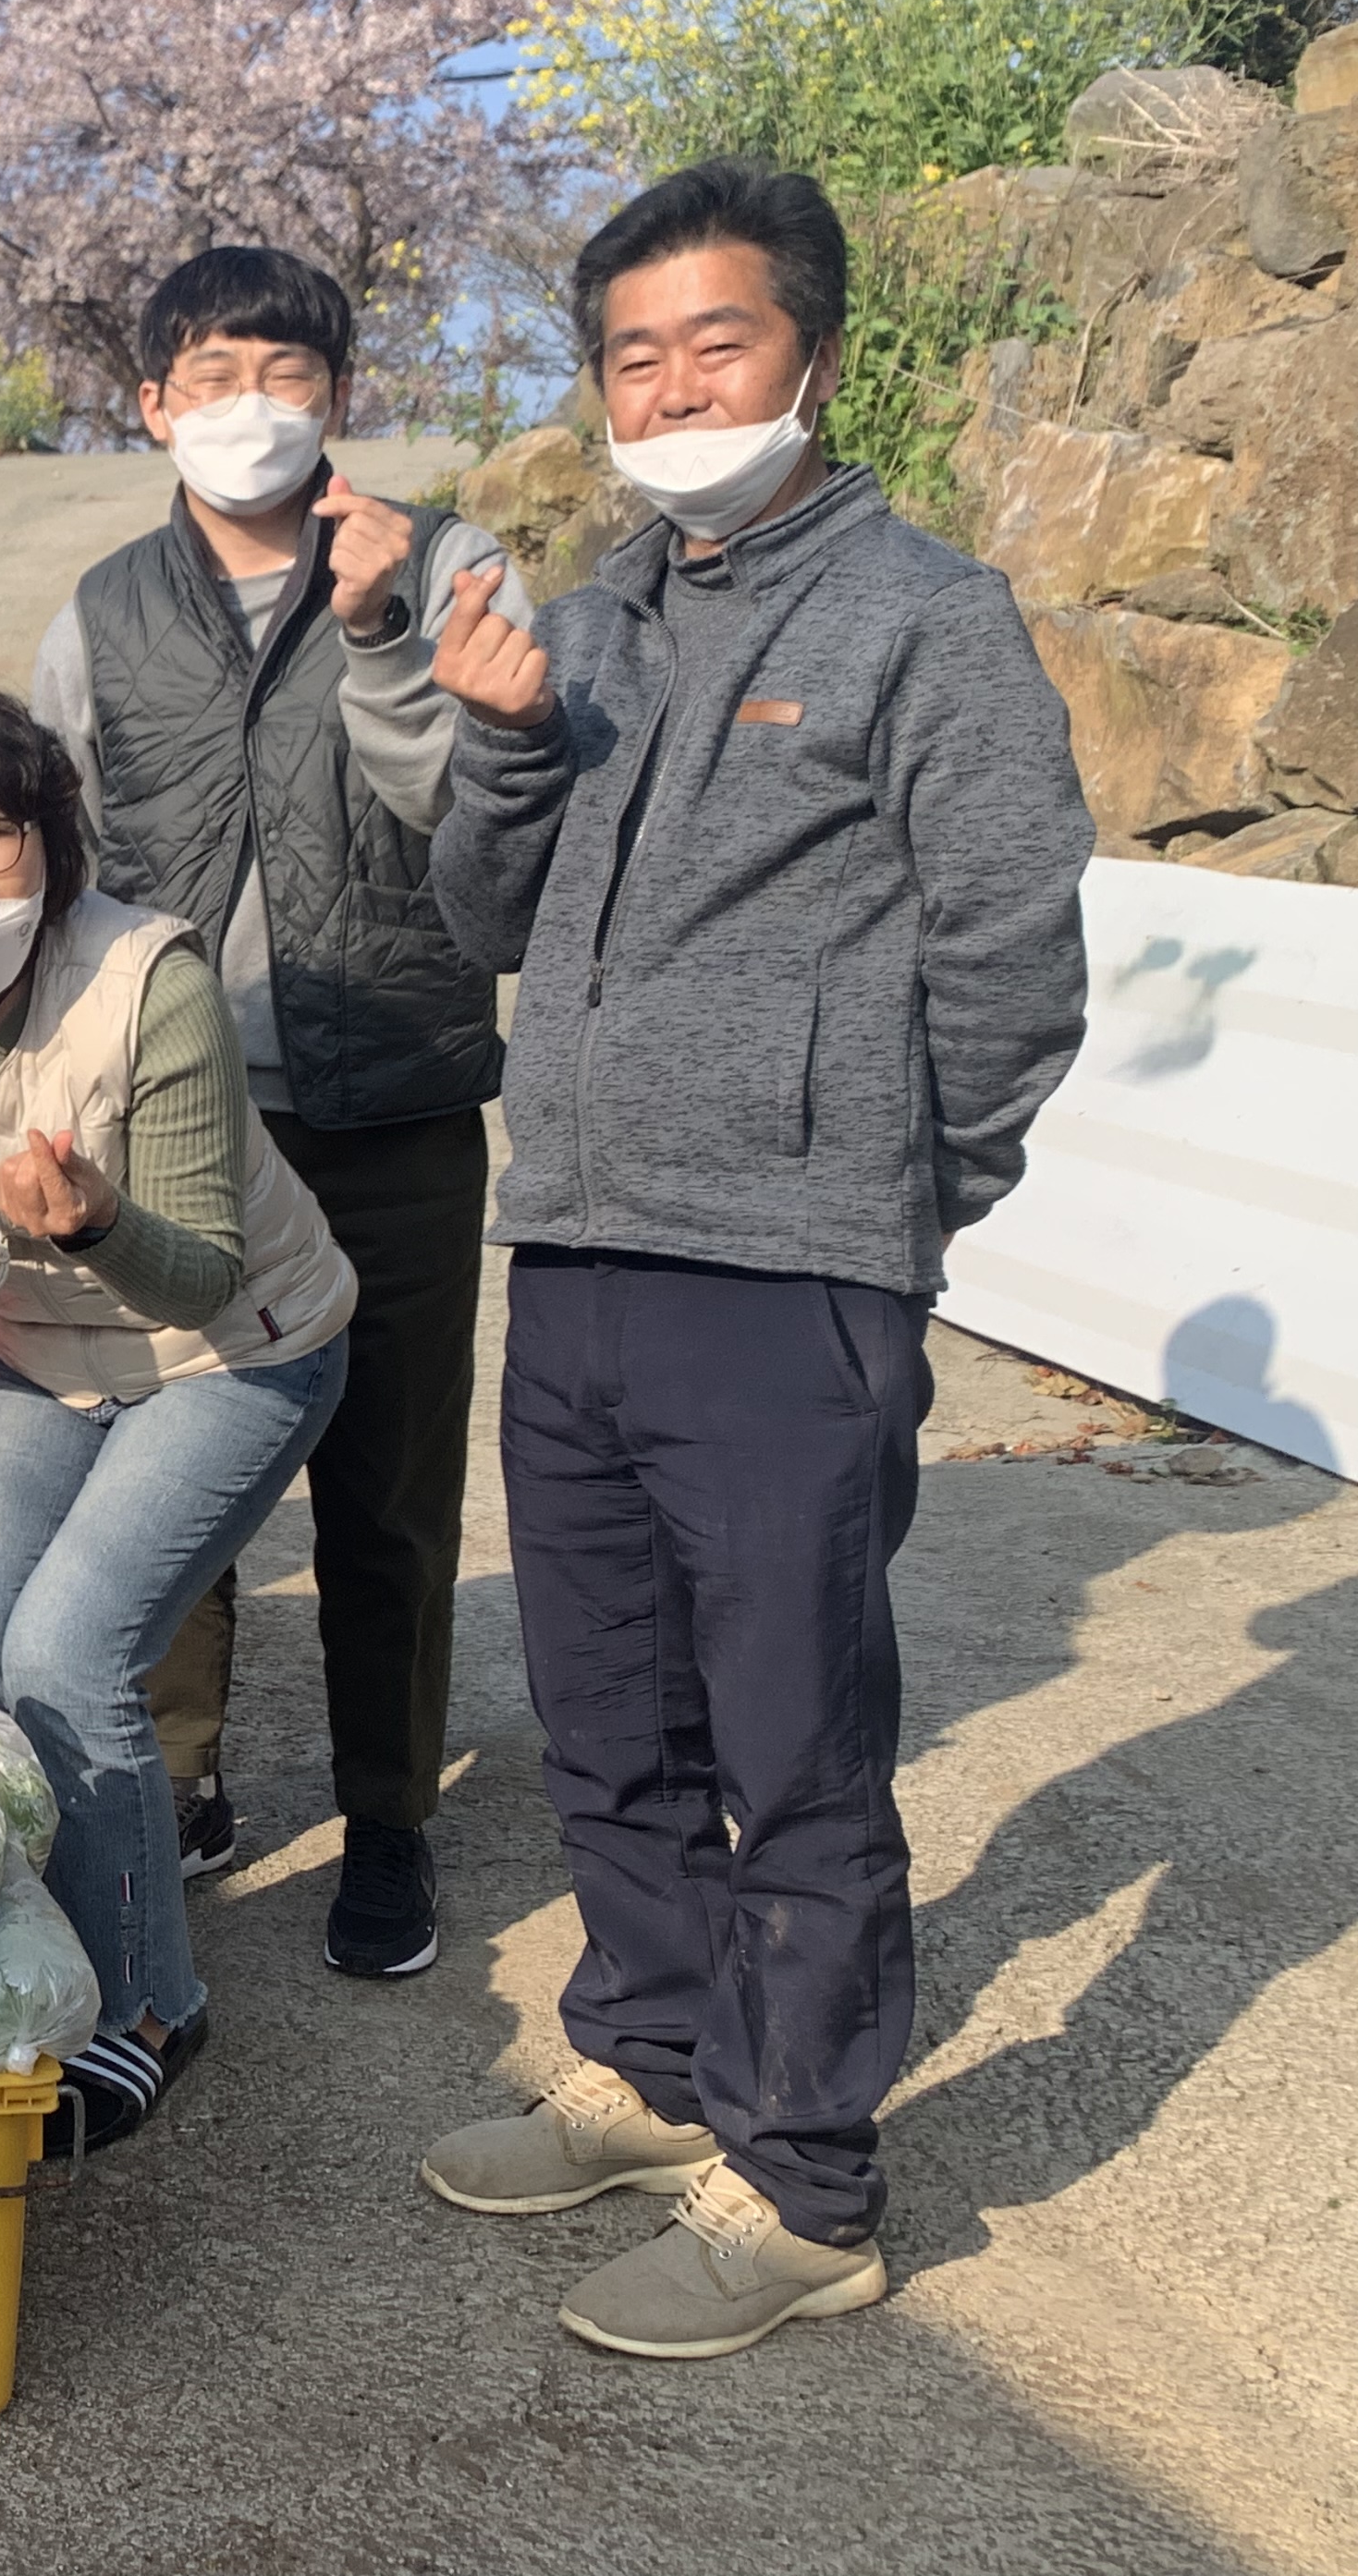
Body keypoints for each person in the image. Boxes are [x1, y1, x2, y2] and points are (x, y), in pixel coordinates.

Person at [421, 159, 1093, 2360]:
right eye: (633, 354)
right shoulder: (595, 615)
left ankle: (807, 2185)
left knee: (793, 1740)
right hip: (584, 1247)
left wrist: (895, 1207)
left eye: (716, 342)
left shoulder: (928, 618)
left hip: (791, 1273)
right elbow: (483, 917)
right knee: (605, 1712)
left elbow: (1008, 964)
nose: (674, 385)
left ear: (809, 351)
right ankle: (653, 2053)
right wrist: (503, 747)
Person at [28, 245, 532, 1977]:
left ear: (338, 392)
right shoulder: (100, 612)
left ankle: (388, 1819)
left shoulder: (451, 562)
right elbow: (49, 862)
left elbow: (474, 815)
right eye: (212, 373)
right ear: (153, 403)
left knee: (387, 1488)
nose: (251, 404)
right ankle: (175, 1783)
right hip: (183, 1111)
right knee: (169, 1470)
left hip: (389, 1093)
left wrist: (382, 627)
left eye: (286, 369)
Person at [0, 679, 354, 2151]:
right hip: (36, 1352)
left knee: (67, 1655)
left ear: (47, 844)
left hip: (232, 1349)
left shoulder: (148, 978)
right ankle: (47, 1944)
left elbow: (207, 1265)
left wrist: (96, 1225)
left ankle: (150, 2000)